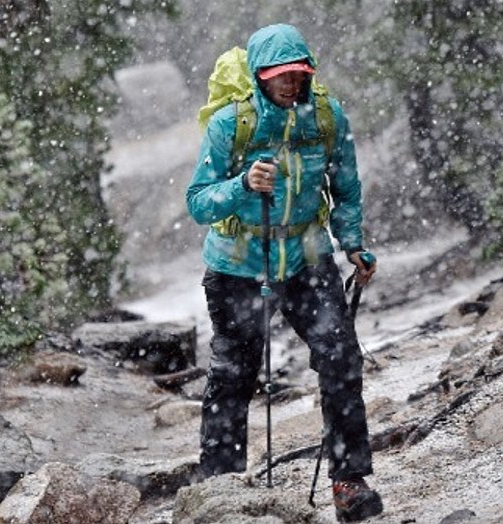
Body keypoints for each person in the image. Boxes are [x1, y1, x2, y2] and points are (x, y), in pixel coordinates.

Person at [186, 23, 383, 521]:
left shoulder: (326, 117)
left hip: (307, 258)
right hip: (236, 266)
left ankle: (349, 482)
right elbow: (198, 203)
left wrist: (354, 244)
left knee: (340, 359)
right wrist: (241, 186)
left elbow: (346, 188)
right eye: (279, 76)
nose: (290, 84)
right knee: (234, 374)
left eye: (298, 74)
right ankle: (222, 487)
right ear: (258, 77)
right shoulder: (232, 125)